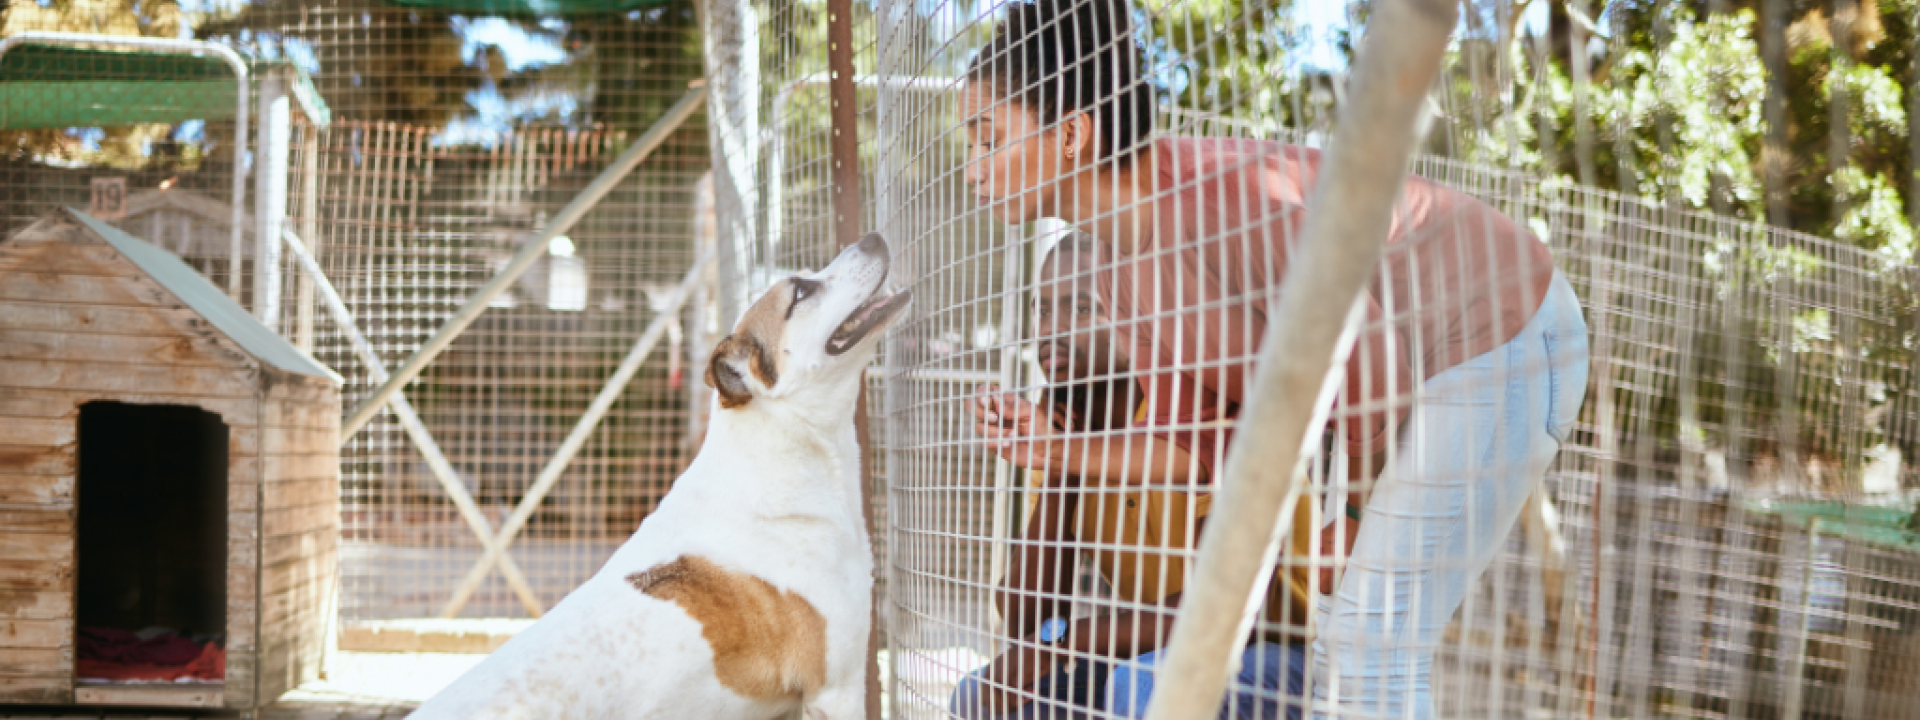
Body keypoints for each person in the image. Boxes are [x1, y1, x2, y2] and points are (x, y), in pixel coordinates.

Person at [957, 0, 1593, 718]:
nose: (973, 168)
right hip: (1406, 385)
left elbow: (1373, 355)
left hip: (1498, 329)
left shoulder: (1217, 198)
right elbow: (1192, 445)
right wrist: (1056, 448)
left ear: (1071, 134)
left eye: (987, 139)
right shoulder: (1114, 275)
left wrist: (1350, 512)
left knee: (1369, 644)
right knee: (1353, 647)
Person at [949, 236, 1324, 720]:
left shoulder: (1205, 411)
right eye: (1042, 310)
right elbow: (1026, 620)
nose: (1051, 330)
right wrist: (1063, 464)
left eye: (1082, 307)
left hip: (1282, 657)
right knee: (978, 696)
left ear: (1140, 318)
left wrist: (1066, 643)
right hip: (1158, 652)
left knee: (1142, 682)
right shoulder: (1065, 432)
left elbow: (1232, 605)